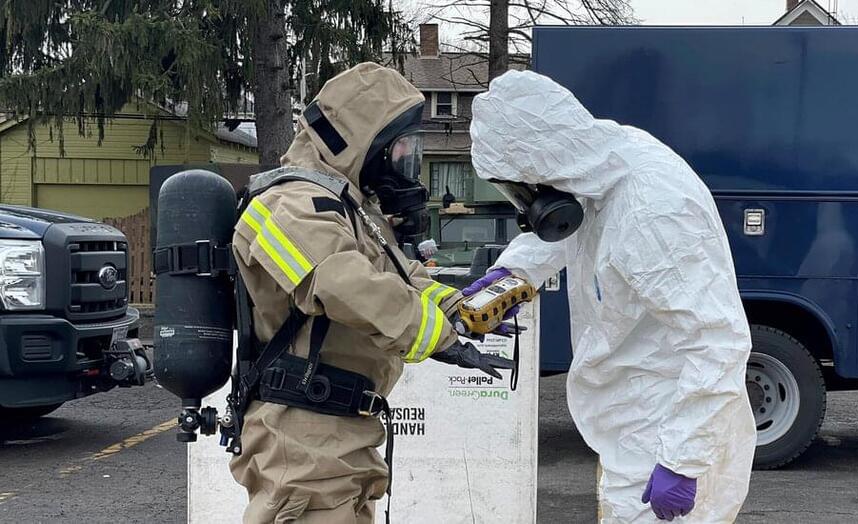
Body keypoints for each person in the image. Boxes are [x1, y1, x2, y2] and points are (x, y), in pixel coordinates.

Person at [466, 70, 756, 523]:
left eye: (521, 188)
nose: (526, 204)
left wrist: (682, 460)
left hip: (666, 431)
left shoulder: (653, 213)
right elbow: (575, 222)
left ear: (545, 167)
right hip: (631, 421)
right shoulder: (599, 161)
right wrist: (516, 271)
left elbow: (719, 340)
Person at [229, 62, 512, 523]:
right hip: (303, 433)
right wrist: (435, 335)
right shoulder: (287, 204)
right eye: (400, 149)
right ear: (359, 141)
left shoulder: (347, 209)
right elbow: (339, 282)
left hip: (342, 433)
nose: (407, 163)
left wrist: (457, 309)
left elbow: (397, 274)